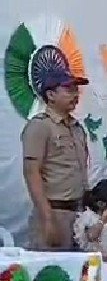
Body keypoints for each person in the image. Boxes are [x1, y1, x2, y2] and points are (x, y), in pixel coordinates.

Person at [21, 68, 90, 251]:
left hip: (79, 213)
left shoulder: (77, 128)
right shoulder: (40, 126)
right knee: (53, 267)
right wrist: (47, 218)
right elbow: (31, 172)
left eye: (76, 90)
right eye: (69, 89)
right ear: (51, 95)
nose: (75, 95)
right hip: (54, 212)